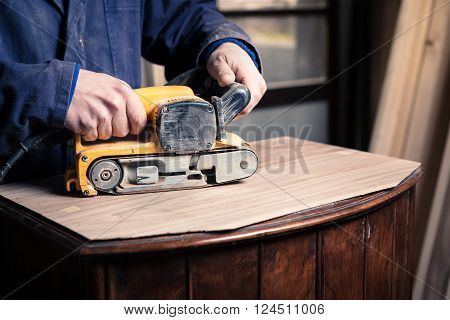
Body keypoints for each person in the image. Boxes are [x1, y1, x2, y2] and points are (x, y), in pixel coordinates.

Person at [0, 0, 266, 182]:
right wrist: (48, 91)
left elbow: (180, 13)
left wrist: (223, 43)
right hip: (14, 198)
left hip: (121, 193)